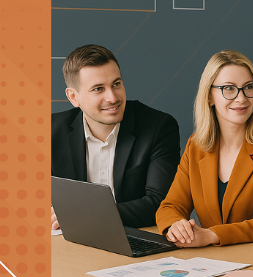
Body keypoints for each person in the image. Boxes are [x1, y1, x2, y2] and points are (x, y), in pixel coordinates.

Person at [156, 50, 253, 248]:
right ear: (209, 96)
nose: (241, 98)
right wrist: (176, 226)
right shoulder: (196, 145)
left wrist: (211, 235)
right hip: (210, 262)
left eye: (248, 87)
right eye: (228, 88)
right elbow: (170, 206)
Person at [51, 44, 180, 229]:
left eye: (116, 84)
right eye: (98, 89)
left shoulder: (158, 127)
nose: (112, 98)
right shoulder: (49, 132)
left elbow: (161, 203)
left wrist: (87, 213)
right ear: (73, 97)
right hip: (70, 243)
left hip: (135, 237)